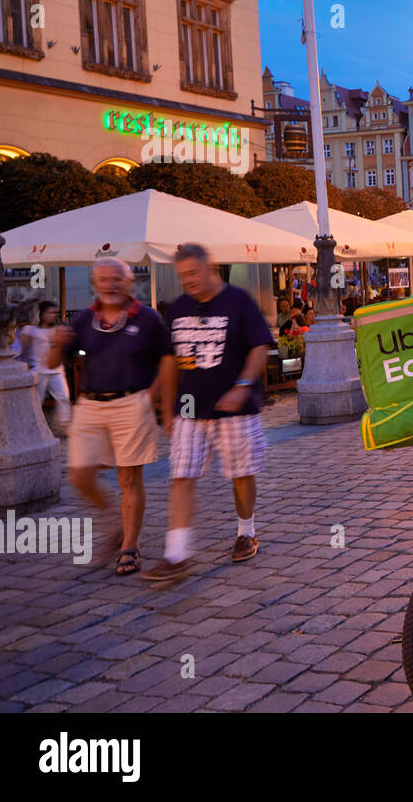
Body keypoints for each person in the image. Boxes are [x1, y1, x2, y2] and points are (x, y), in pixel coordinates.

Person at [141, 244, 274, 582]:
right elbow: (170, 360)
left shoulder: (239, 301)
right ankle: (177, 555)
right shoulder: (178, 308)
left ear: (210, 268)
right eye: (182, 275)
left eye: (192, 273)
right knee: (182, 476)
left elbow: (260, 346)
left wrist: (242, 385)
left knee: (240, 473)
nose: (187, 281)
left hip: (236, 411)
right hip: (190, 410)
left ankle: (246, 531)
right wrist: (167, 408)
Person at [48, 258, 174, 577]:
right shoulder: (83, 319)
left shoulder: (147, 318)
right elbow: (53, 361)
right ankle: (115, 525)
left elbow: (168, 360)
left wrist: (155, 398)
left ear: (129, 282)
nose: (110, 284)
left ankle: (129, 545)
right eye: (103, 279)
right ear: (95, 284)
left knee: (129, 478)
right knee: (79, 475)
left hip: (132, 402)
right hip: (90, 405)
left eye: (117, 278)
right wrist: (56, 343)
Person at [21, 300, 72, 431]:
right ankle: (33, 427)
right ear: (42, 314)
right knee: (37, 401)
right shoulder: (31, 330)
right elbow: (23, 349)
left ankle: (64, 426)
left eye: (55, 312)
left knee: (64, 398)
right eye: (50, 312)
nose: (53, 315)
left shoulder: (57, 330)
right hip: (39, 371)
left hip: (56, 370)